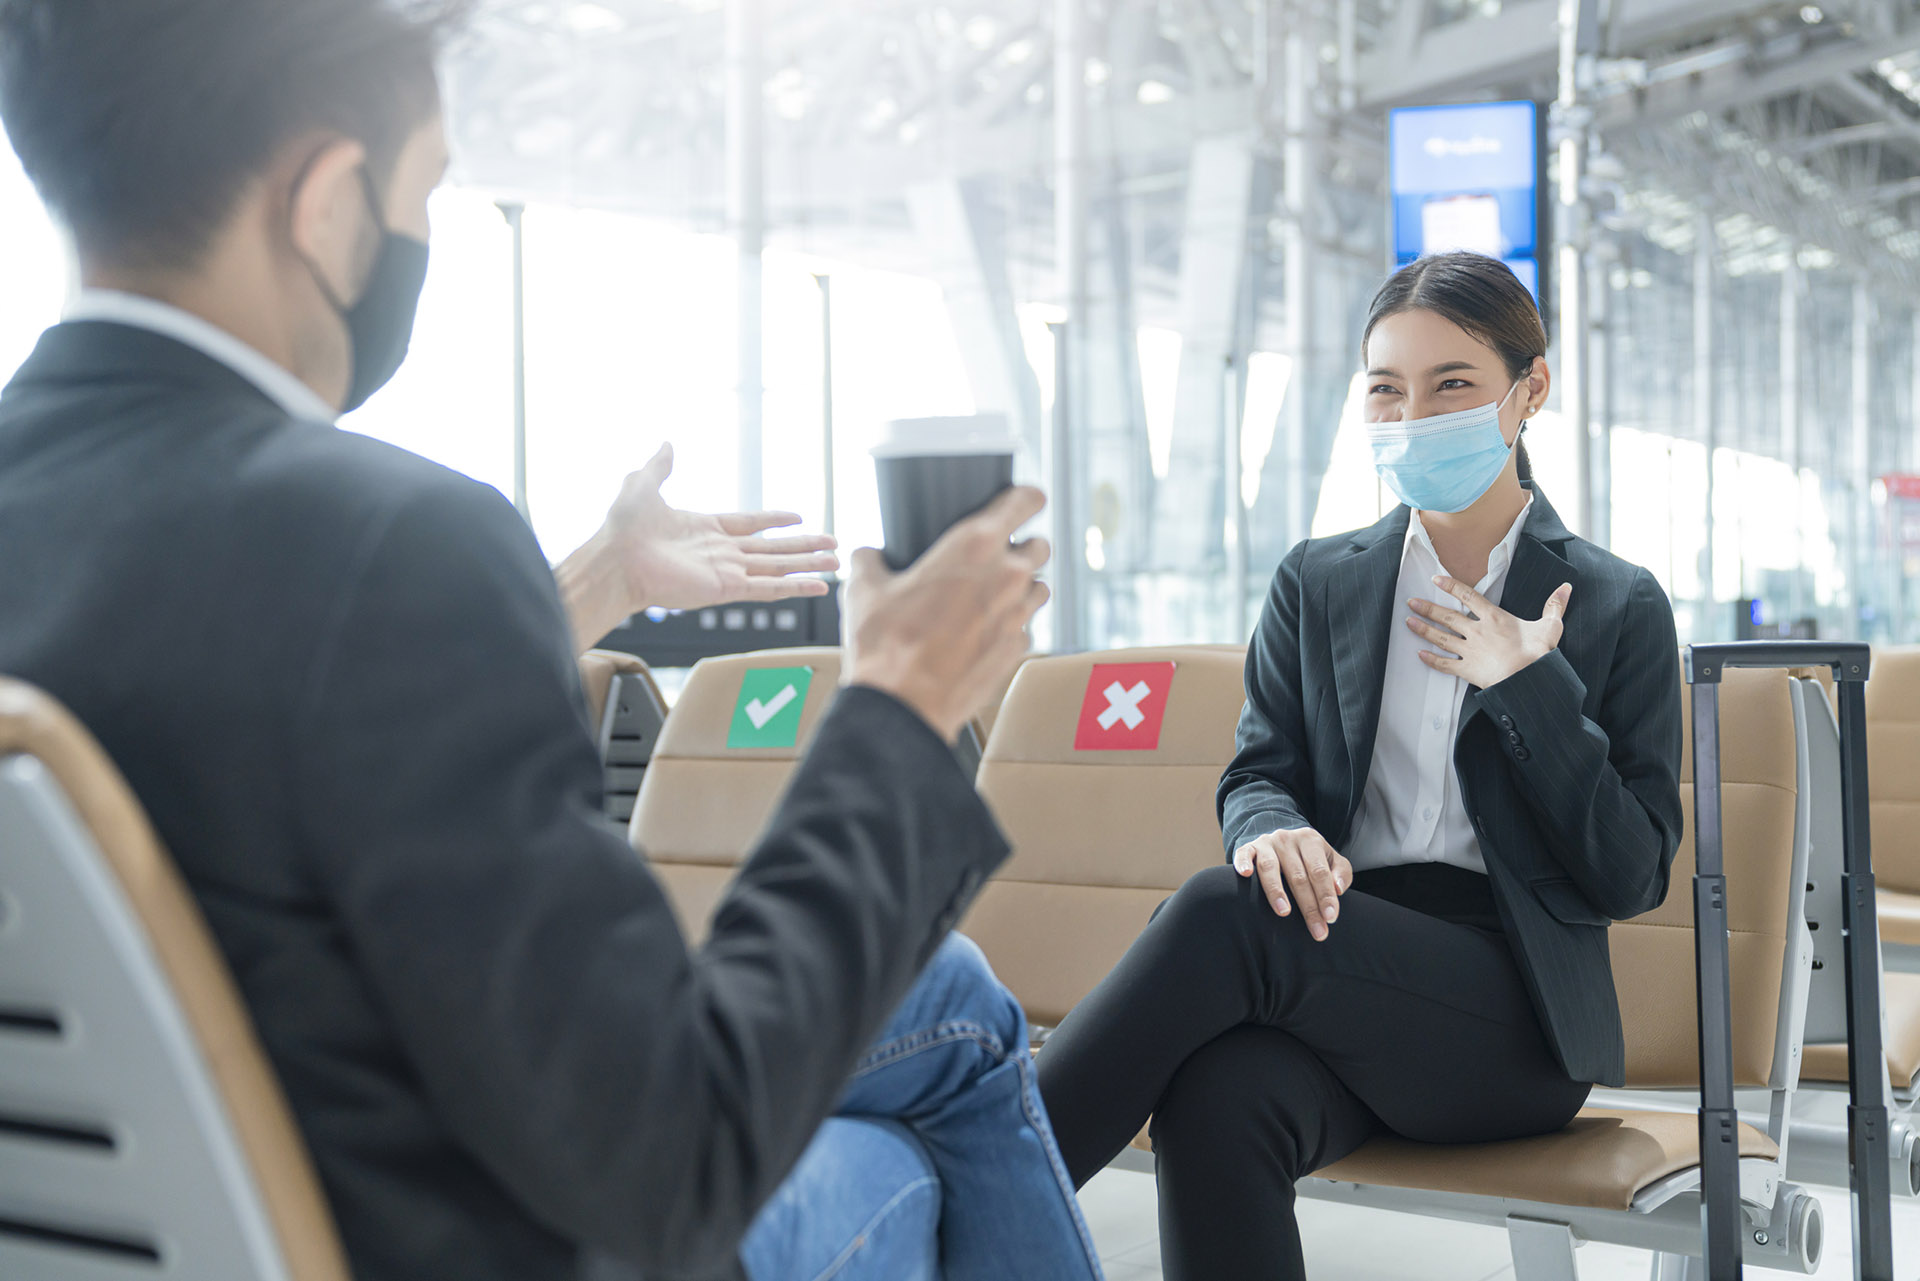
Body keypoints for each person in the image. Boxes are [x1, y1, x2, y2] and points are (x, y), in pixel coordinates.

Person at [0, 3, 1106, 1280]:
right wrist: (904, 708)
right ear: (326, 202)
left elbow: (247, 687)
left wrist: (590, 578)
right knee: (946, 1062)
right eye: (425, 192)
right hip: (488, 1230)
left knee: (936, 1023)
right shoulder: (388, 539)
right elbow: (673, 1158)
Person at [1034, 251, 1686, 1281]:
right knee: (1218, 1095)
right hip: (1338, 965)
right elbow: (1258, 773)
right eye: (1387, 389)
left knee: (1221, 914)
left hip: (1514, 1018)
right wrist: (1268, 830)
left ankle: (963, 1210)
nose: (1413, 416)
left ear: (1533, 389)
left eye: (1453, 385)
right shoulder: (1319, 580)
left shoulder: (1616, 604)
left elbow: (1632, 873)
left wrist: (1527, 687)